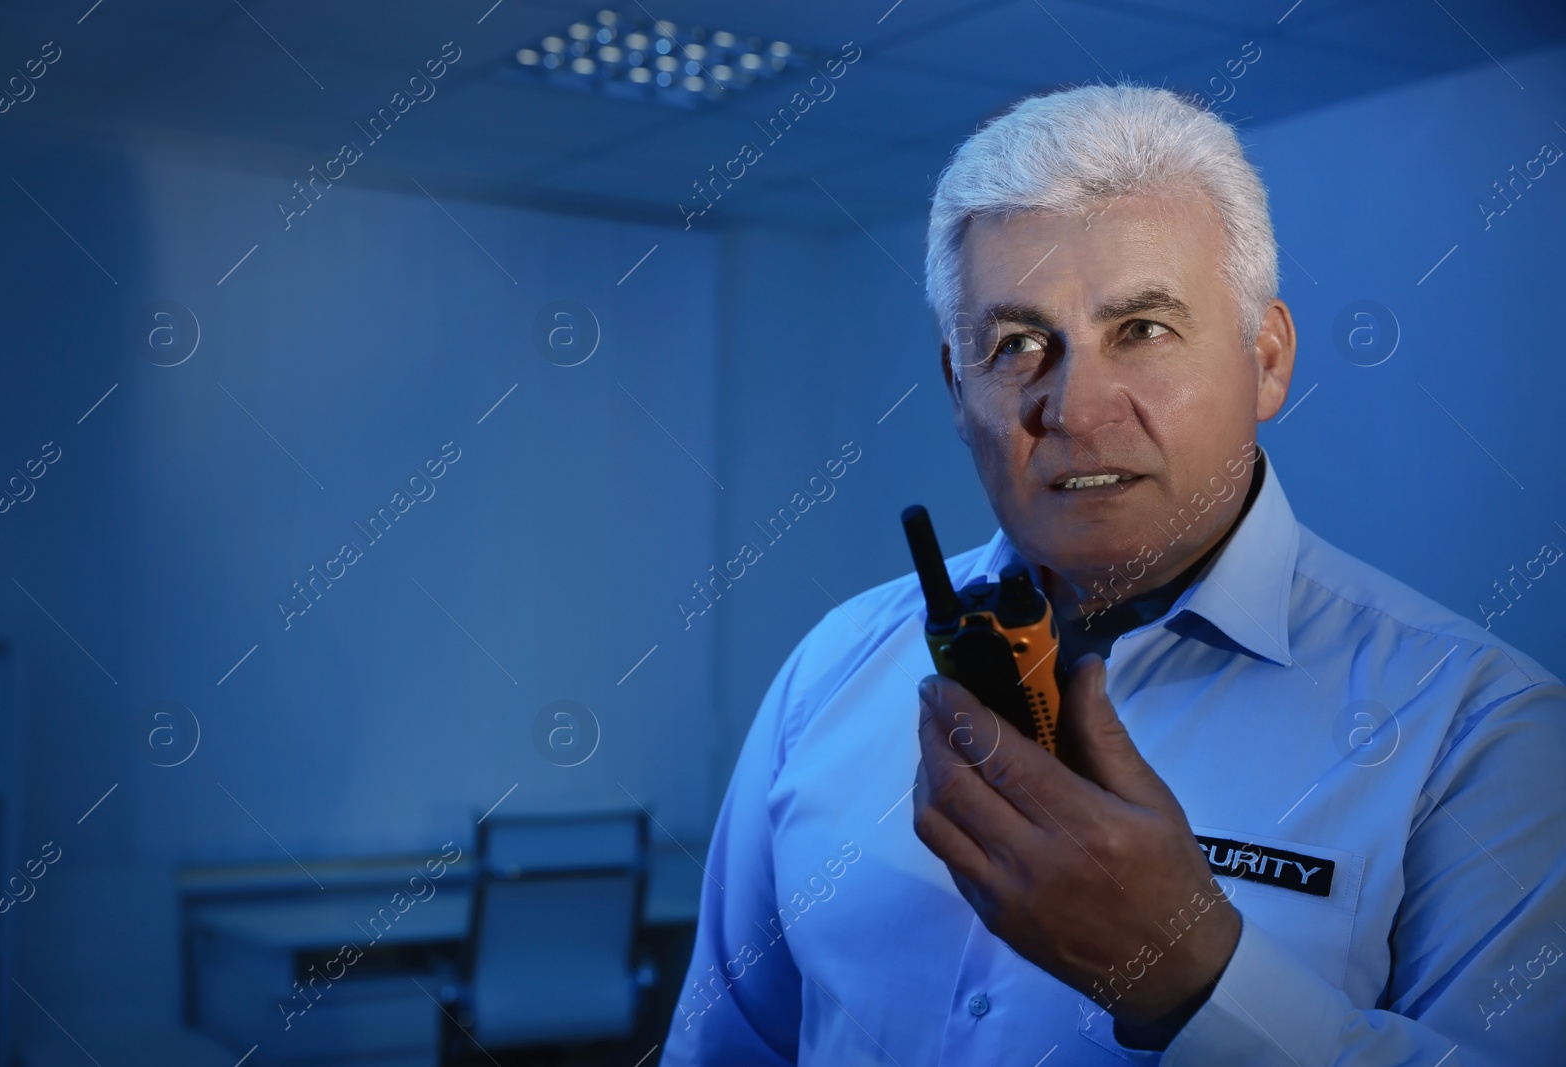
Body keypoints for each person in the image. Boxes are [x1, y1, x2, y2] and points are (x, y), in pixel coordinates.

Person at [658, 83, 1566, 1066]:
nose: (1078, 408)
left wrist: (1194, 979)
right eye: (1015, 346)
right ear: (958, 390)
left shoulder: (1483, 735)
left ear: (1265, 359)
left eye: (1141, 328)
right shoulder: (829, 671)